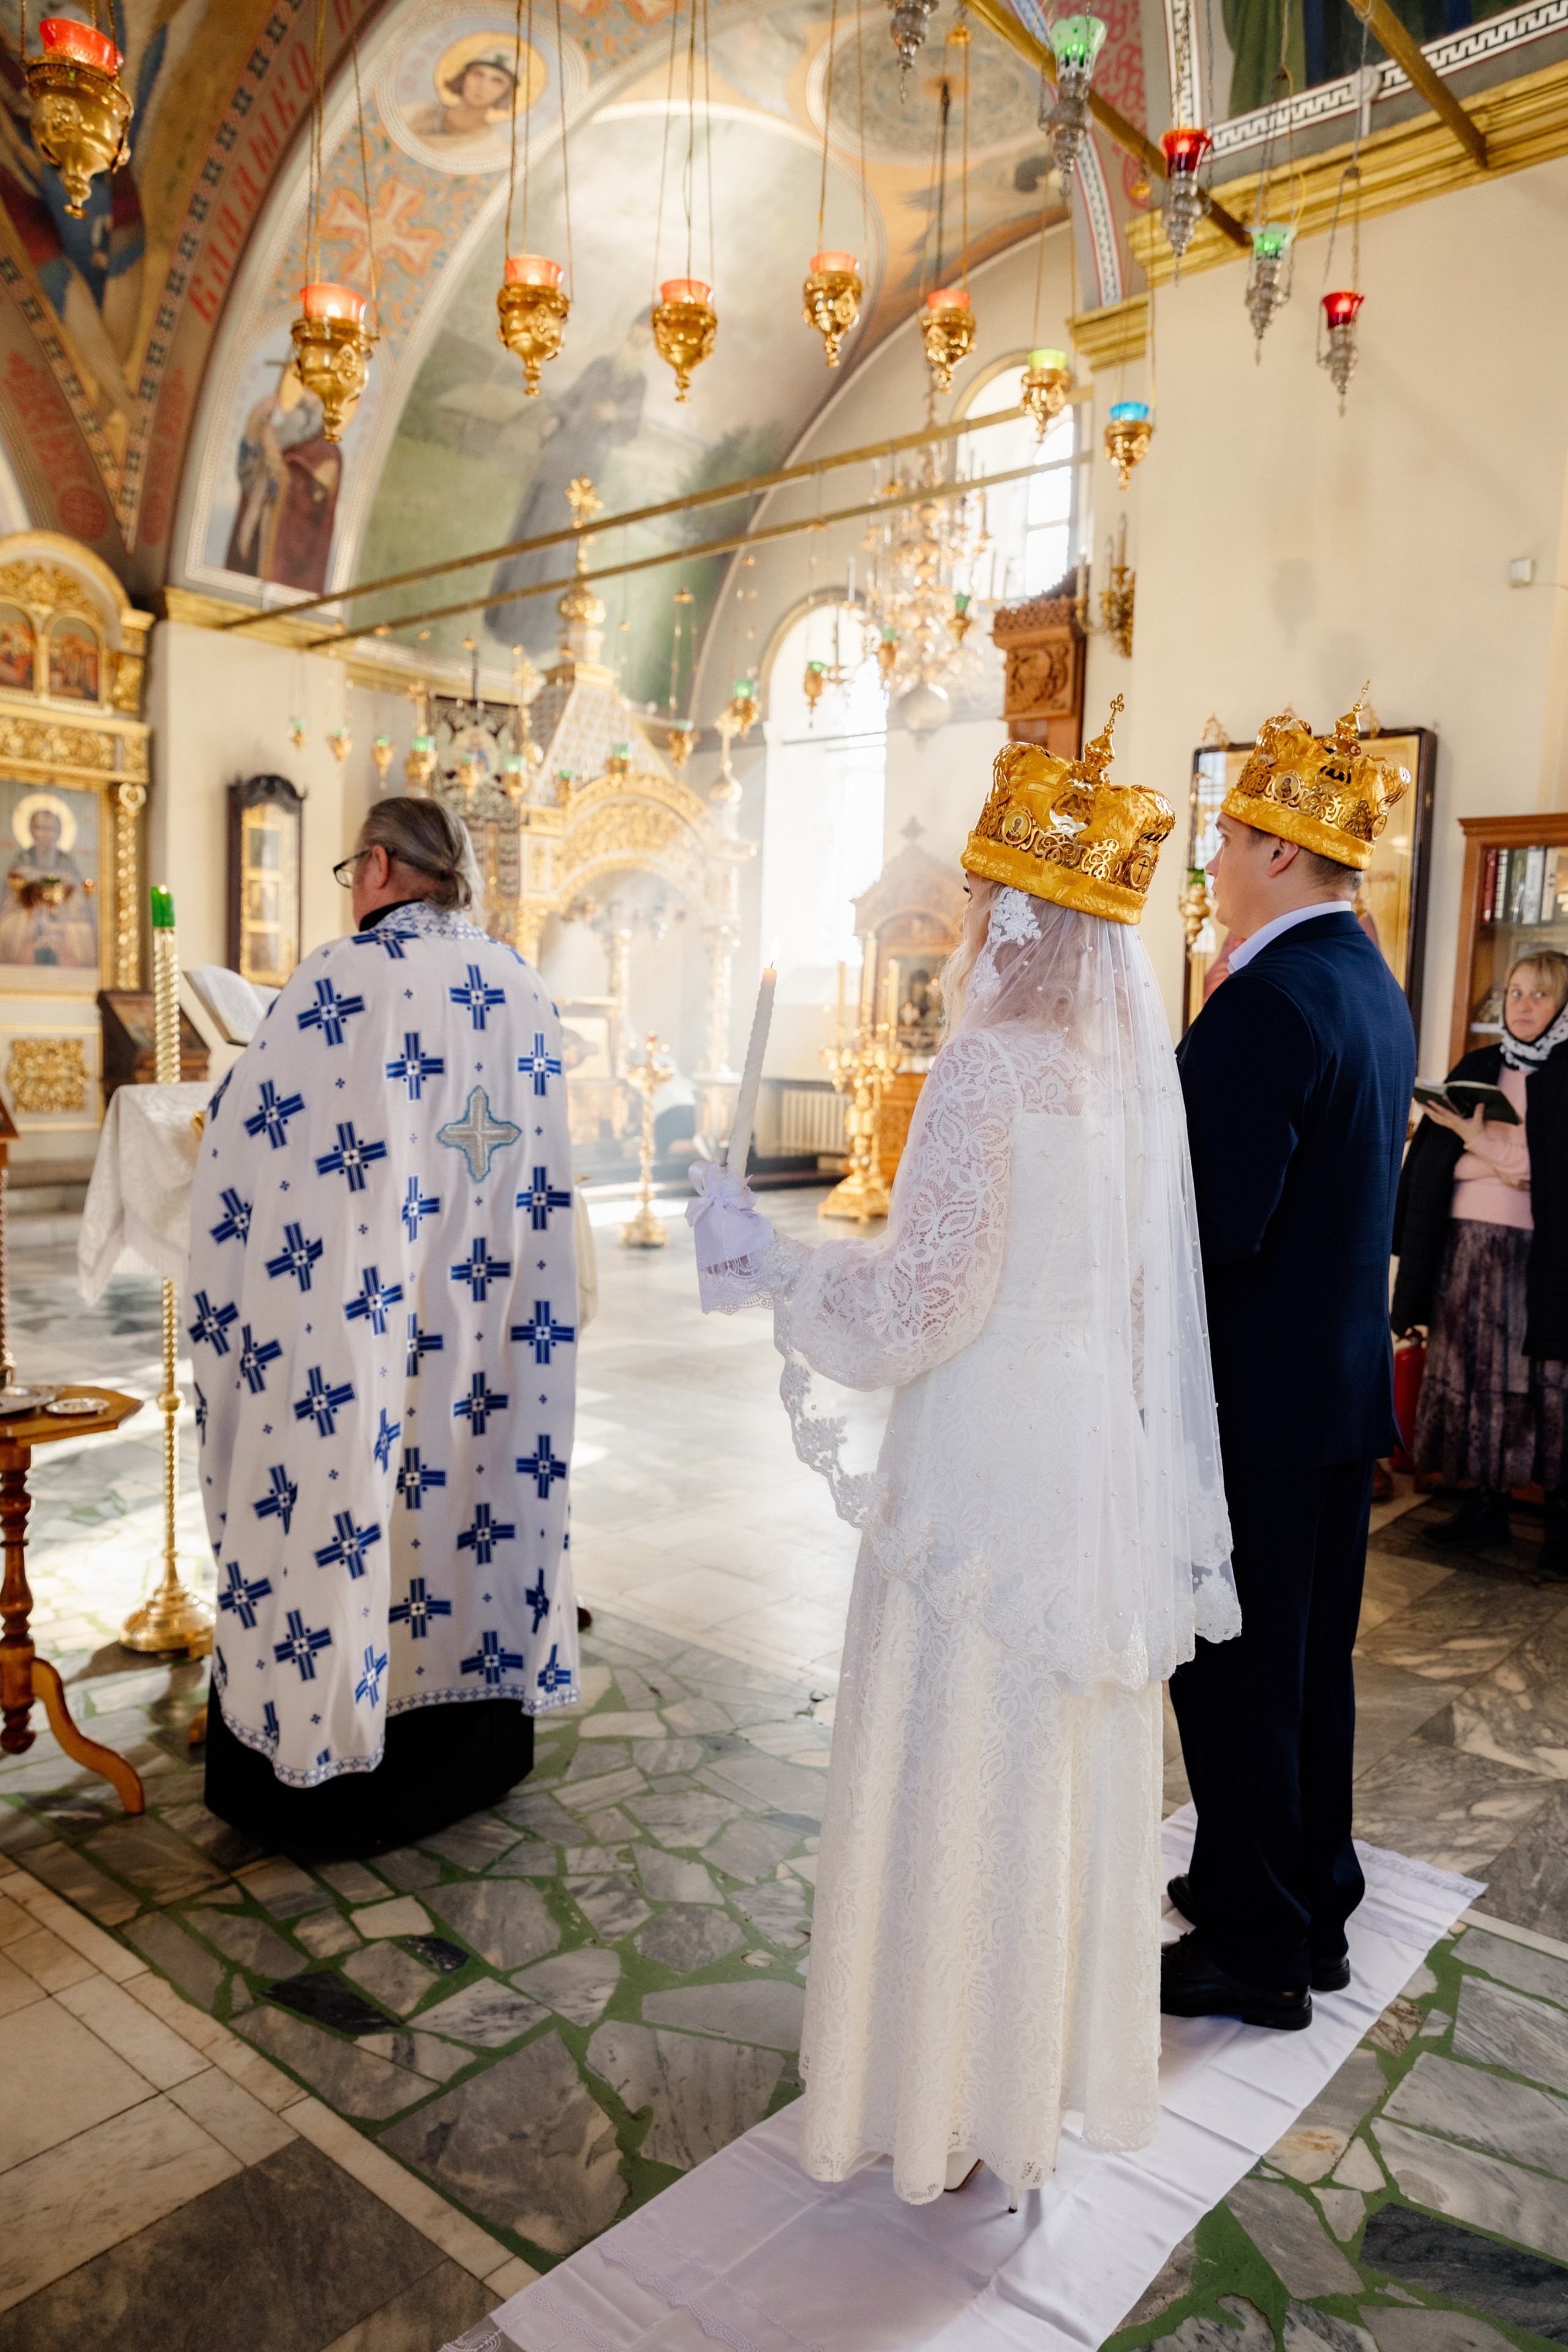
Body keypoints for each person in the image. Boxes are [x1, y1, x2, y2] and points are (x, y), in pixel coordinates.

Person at [690, 706, 1237, 2204]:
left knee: (954, 1748)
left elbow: (921, 1305)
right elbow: (1136, 1307)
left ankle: (925, 2088)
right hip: (1087, 1451)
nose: (971, 928)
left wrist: (775, 1264)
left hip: (985, 1447)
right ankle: (1023, 2080)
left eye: (987, 902)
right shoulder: (1130, 1081)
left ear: (1018, 919)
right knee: (1042, 1760)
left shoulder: (986, 1075)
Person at [187, 796, 581, 1856]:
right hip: (486, 1318)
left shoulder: (338, 978)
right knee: (469, 1475)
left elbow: (250, 1137)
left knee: (349, 1484)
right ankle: (471, 1748)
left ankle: (330, 1746)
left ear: (377, 867)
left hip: (358, 1324)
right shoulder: (521, 985)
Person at [1169, 700, 1416, 2029]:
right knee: (1307, 1670)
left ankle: (1258, 1946)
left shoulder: (1262, 1002)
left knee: (1238, 1676)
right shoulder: (1366, 982)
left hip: (1250, 1401)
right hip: (1331, 1388)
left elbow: (1208, 1225)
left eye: (1221, 839)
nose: (1208, 863)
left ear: (1276, 853)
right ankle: (1306, 1895)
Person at [1392, 949, 1568, 1575]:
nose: (1522, 1006)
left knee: (1541, 1390)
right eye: (1514, 993)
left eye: (1539, 995)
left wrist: (1476, 1141)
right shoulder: (1479, 1066)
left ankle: (1560, 1528)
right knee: (1470, 1380)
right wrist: (1489, 1153)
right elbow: (1442, 1164)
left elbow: (1540, 1175)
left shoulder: (1565, 1074)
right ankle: (1484, 1509)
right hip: (1463, 1250)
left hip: (1537, 1260)